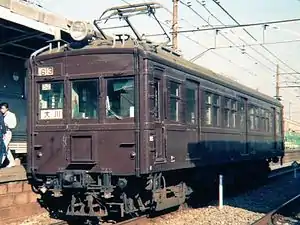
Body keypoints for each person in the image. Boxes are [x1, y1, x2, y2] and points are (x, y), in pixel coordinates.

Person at [0, 102, 17, 168]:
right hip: (2, 133)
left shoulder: (11, 115)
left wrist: (7, 124)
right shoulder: (2, 115)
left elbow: (13, 125)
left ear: (7, 108)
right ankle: (12, 162)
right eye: (1, 108)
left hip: (8, 133)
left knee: (3, 147)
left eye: (3, 108)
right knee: (6, 148)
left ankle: (1, 162)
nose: (1, 110)